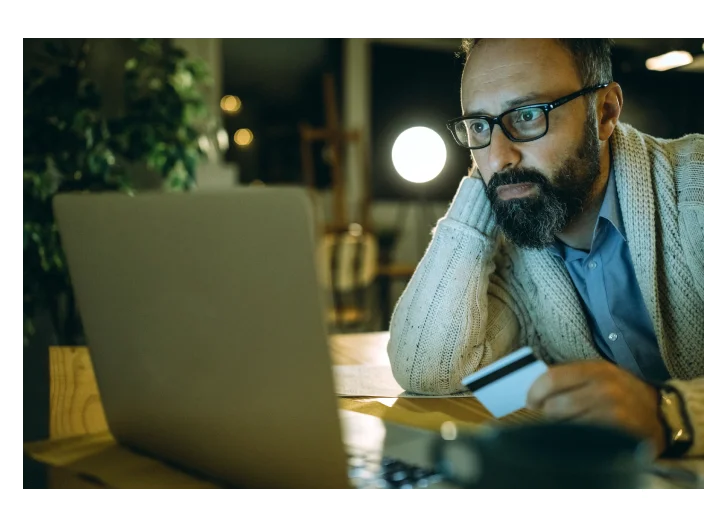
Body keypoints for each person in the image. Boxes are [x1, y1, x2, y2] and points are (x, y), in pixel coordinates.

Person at [386, 36, 704, 459]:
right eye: (480, 125)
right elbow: (427, 369)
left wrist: (671, 416)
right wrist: (481, 192)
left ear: (605, 112)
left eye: (528, 115)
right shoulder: (514, 248)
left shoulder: (695, 191)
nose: (500, 156)